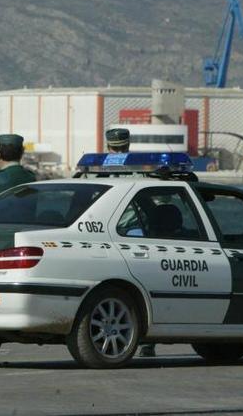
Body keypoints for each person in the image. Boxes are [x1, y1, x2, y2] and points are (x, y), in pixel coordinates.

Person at [107, 127, 157, 358]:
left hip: (97, 235)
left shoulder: (93, 171)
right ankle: (147, 341)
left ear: (108, 146)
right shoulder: (140, 171)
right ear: (128, 146)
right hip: (133, 235)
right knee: (143, 286)